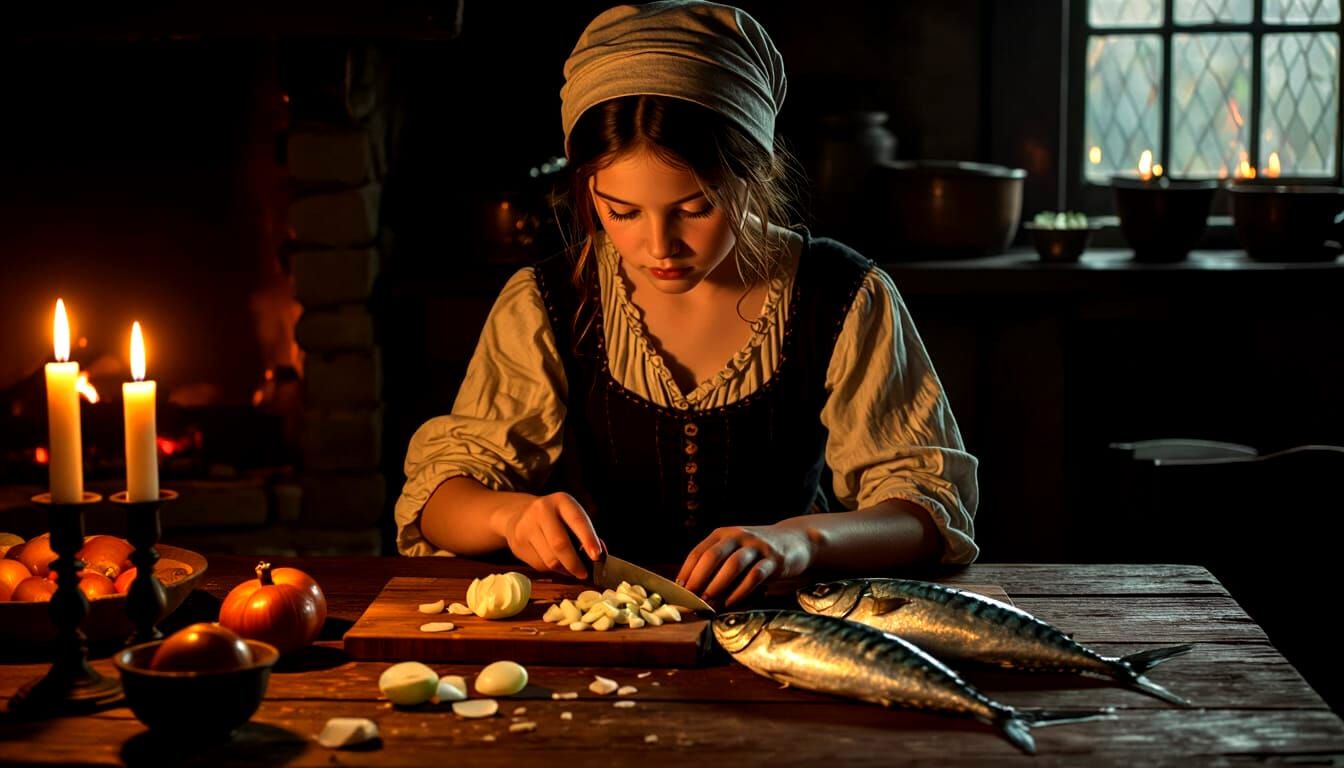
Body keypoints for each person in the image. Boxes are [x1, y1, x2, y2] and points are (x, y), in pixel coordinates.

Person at [395, 0, 978, 607]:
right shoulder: (547, 300)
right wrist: (511, 516)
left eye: (696, 208)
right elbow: (437, 503)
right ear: (588, 190)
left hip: (786, 627)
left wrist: (800, 540)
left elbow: (928, 509)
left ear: (754, 174)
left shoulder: (842, 293)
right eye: (621, 212)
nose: (659, 246)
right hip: (597, 630)